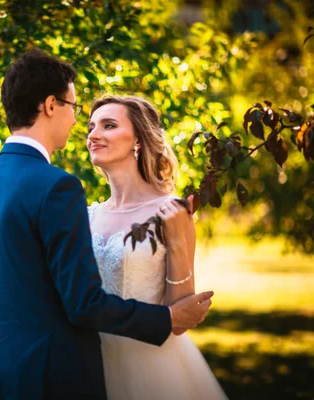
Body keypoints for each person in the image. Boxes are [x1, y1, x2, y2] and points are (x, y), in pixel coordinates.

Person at [0, 49, 214, 400]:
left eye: (105, 124)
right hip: (57, 376)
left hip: (3, 376)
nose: (80, 125)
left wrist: (25, 326)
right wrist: (165, 320)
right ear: (50, 105)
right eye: (76, 111)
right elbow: (82, 304)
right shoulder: (59, 187)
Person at [86, 94, 227, 399]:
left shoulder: (172, 211)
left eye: (108, 125)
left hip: (151, 366)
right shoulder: (85, 216)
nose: (94, 135)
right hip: (88, 363)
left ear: (138, 139)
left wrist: (176, 239)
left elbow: (180, 319)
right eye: (91, 127)